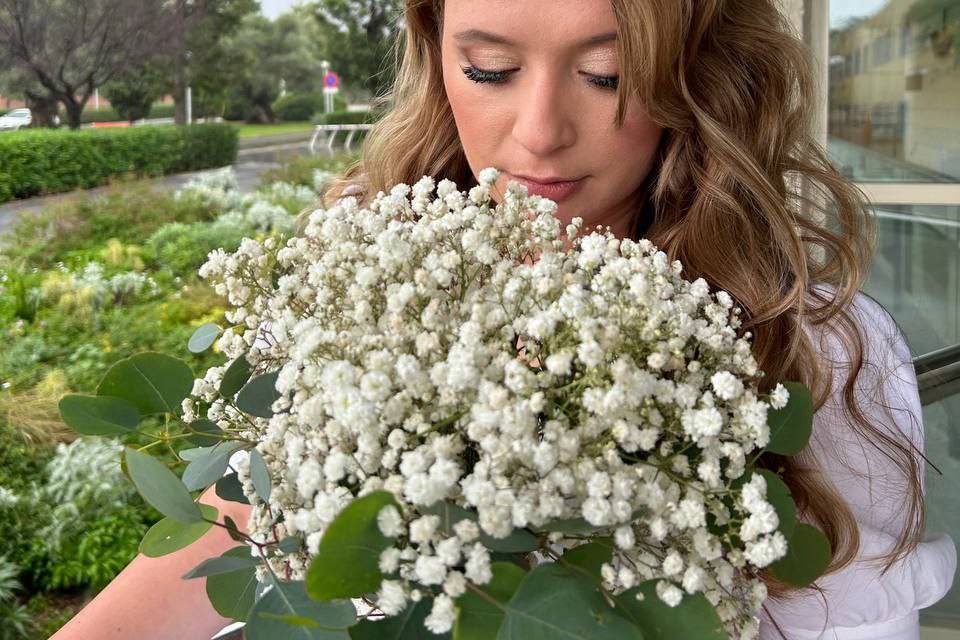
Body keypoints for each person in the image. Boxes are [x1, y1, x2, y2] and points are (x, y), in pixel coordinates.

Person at [52, 1, 956, 638]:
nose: (539, 131)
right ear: (435, 49)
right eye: (489, 68)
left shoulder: (818, 352)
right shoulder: (357, 289)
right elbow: (228, 542)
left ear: (697, 73)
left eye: (607, 74)